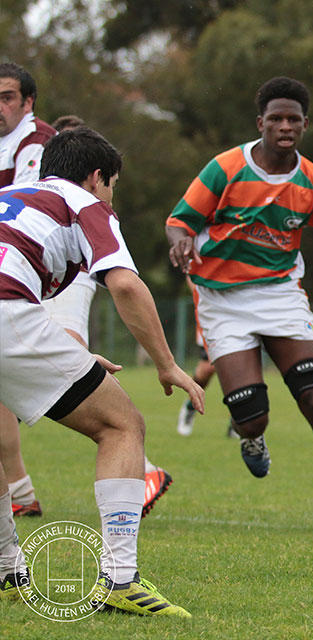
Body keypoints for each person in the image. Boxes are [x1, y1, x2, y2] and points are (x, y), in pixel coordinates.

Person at [166, 76, 313, 535]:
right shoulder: (225, 168)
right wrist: (181, 243)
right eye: (276, 119)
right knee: (252, 417)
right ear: (260, 123)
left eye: (293, 119)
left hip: (280, 294)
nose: (284, 126)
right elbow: (179, 221)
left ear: (305, 124)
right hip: (220, 300)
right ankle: (252, 439)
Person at [0, 127, 201, 615]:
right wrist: (167, 364)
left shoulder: (11, 194)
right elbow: (126, 286)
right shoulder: (86, 204)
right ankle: (120, 579)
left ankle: (6, 568)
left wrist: (69, 351)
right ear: (97, 178)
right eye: (112, 185)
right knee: (122, 425)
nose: (112, 198)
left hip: (11, 315)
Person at [0, 63, 57, 517]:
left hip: (41, 272)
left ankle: (142, 467)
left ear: (28, 102)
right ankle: (20, 492)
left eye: (7, 97)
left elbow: (20, 204)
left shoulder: (35, 141)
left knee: (74, 375)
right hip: (15, 272)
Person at [175, 277, 235, 438]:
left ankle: (238, 420)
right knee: (207, 369)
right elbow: (190, 273)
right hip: (212, 317)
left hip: (239, 314)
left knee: (237, 370)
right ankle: (190, 406)